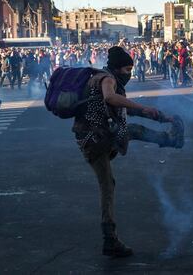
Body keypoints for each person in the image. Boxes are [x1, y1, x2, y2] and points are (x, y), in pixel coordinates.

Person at [72, 46, 184, 257]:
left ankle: (110, 239)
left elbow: (127, 110)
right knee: (131, 131)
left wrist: (161, 116)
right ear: (116, 67)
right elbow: (110, 98)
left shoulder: (102, 76)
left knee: (108, 185)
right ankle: (170, 140)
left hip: (89, 139)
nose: (129, 73)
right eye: (126, 68)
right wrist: (143, 108)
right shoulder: (107, 79)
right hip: (96, 140)